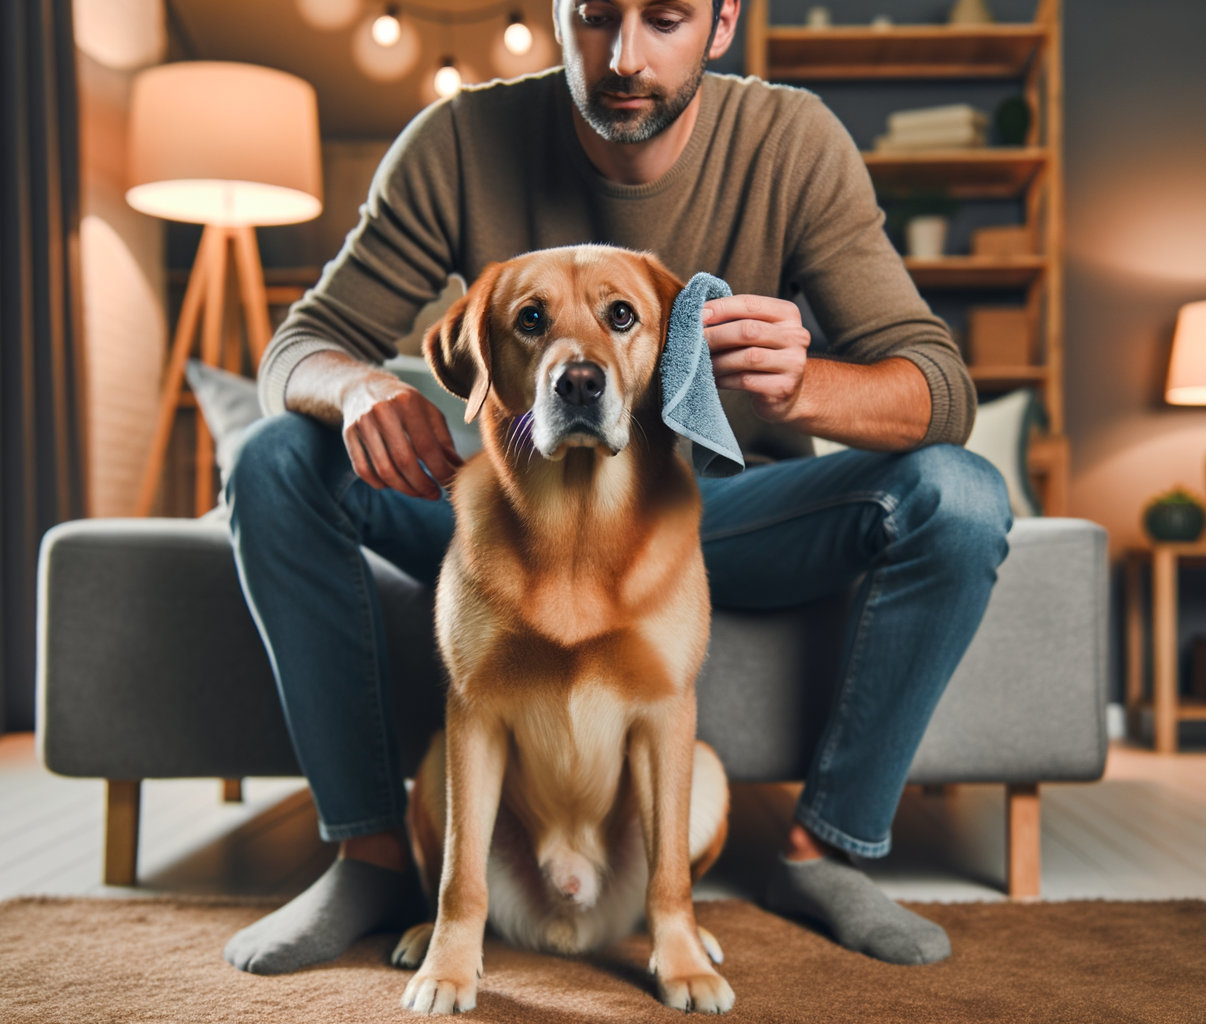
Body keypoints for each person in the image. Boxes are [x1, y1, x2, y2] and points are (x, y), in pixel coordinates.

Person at [221, 0, 1011, 976]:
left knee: (961, 496)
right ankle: (374, 854)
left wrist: (805, 383)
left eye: (666, 18)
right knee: (270, 460)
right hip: (504, 512)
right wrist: (354, 386)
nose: (624, 54)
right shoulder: (460, 140)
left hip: (711, 514)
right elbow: (296, 347)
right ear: (557, 16)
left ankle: (828, 850)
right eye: (594, 17)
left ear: (722, 24)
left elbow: (940, 387)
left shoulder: (790, 142)